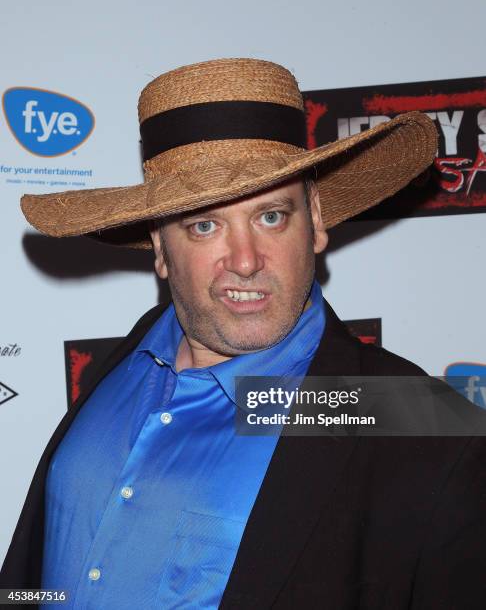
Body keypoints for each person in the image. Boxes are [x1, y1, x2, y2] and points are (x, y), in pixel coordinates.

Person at [2, 58, 486, 609]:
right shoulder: (123, 366)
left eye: (271, 216)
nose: (247, 260)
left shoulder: (415, 423)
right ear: (160, 247)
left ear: (316, 219)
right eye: (205, 225)